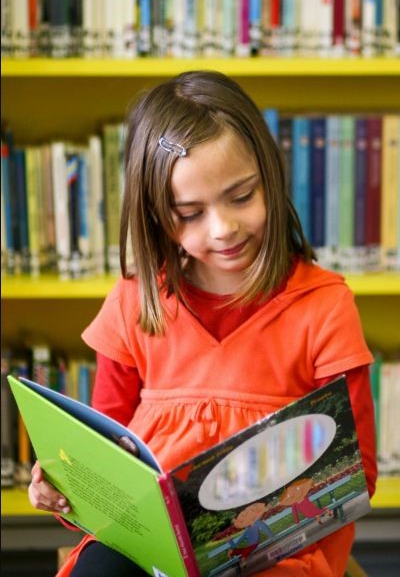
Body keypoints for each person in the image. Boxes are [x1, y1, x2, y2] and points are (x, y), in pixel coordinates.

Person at [28, 70, 377, 576]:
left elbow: (357, 471)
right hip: (149, 551)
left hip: (277, 549)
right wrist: (64, 488)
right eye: (189, 213)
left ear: (270, 177)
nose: (223, 228)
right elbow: (98, 458)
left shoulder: (323, 307)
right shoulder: (134, 304)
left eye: (241, 196)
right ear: (155, 217)